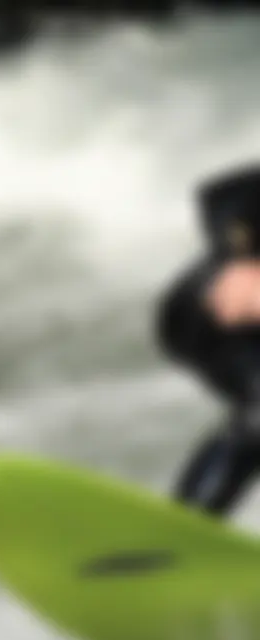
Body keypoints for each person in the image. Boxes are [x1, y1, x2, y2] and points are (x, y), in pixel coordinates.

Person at [157, 163, 260, 514]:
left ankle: (188, 528)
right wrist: (240, 259)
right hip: (211, 307)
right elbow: (221, 193)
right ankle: (188, 528)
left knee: (252, 422)